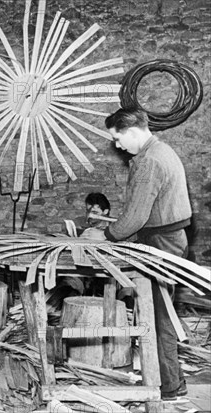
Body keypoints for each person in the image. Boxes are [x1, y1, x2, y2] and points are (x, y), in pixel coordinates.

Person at [85, 107, 191, 400]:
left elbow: (135, 217)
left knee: (159, 316)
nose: (118, 146)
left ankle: (167, 387)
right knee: (161, 312)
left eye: (118, 139)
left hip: (162, 240)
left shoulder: (149, 161)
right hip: (165, 236)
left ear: (132, 131)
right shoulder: (159, 150)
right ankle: (173, 382)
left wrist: (105, 236)